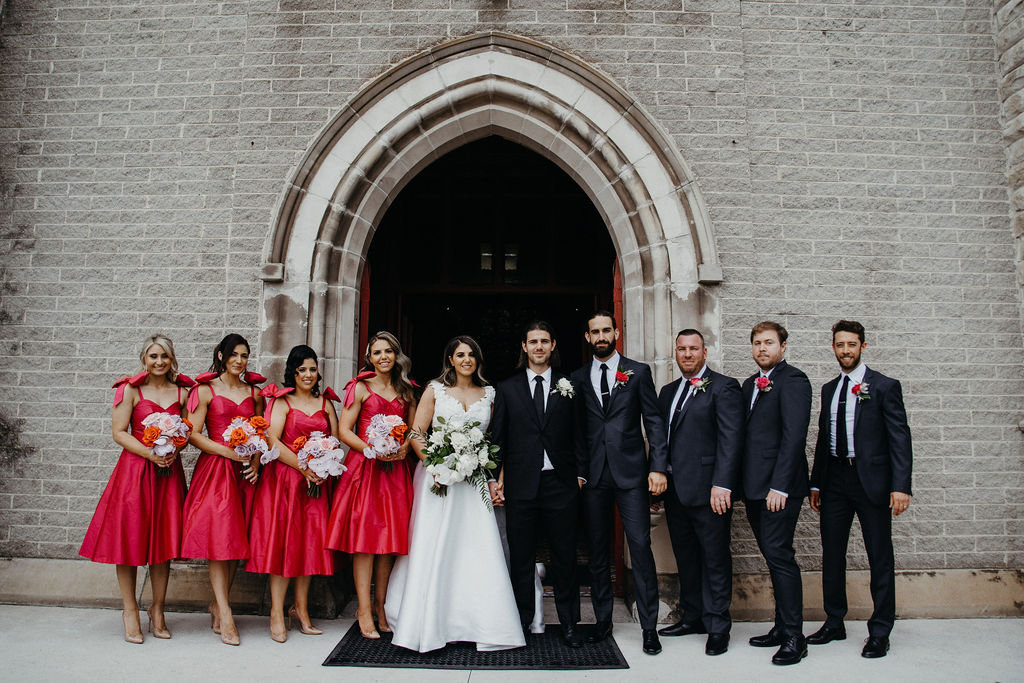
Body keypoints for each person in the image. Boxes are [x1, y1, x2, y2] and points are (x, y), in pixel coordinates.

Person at [385, 336, 525, 653]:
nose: (466, 359)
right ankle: (428, 620)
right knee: (434, 544)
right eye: (459, 354)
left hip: (474, 482)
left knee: (475, 547)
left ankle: (479, 622)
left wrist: (496, 476)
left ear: (478, 359)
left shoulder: (490, 394)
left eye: (471, 354)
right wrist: (436, 464)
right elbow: (417, 433)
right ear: (450, 359)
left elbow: (496, 440)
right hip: (437, 480)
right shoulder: (435, 390)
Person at [79, 334, 194, 643]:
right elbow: (119, 432)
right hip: (134, 472)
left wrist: (174, 450)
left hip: (168, 474)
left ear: (172, 359)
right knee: (128, 542)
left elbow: (186, 432)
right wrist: (149, 453)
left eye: (164, 357)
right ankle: (130, 610)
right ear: (144, 358)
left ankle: (158, 610)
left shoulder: (183, 393)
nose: (159, 362)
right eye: (153, 356)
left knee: (163, 544)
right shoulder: (129, 389)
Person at [808, 320, 913, 659]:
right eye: (840, 345)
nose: (845, 351)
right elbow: (824, 440)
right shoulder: (828, 388)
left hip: (873, 483)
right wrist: (816, 482)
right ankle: (834, 621)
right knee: (832, 553)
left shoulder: (883, 386)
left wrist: (900, 486)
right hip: (835, 480)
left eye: (851, 344)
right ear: (834, 347)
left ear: (863, 346)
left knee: (879, 556)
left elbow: (900, 439)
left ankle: (880, 630)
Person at [570, 311, 668, 656]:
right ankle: (602, 622)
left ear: (616, 333)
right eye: (594, 332)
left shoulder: (638, 372)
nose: (600, 336)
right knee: (597, 552)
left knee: (640, 547)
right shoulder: (577, 378)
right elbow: (576, 432)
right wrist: (579, 471)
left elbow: (654, 421)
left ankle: (649, 627)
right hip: (594, 477)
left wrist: (658, 468)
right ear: (587, 337)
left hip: (631, 475)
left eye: (606, 330)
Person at [490, 321, 584, 648]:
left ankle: (570, 624)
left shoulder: (568, 384)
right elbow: (497, 439)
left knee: (564, 558)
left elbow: (580, 434)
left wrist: (581, 474)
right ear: (524, 346)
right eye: (533, 341)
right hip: (521, 485)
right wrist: (493, 478)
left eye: (545, 340)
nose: (539, 347)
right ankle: (521, 621)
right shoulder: (508, 388)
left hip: (561, 484)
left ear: (554, 345)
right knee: (521, 559)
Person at [656, 329, 743, 657]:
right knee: (687, 557)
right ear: (676, 353)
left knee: (715, 558)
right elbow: (661, 440)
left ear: (704, 352)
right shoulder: (668, 392)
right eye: (681, 349)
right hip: (676, 491)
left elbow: (731, 440)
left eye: (693, 349)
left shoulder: (724, 387)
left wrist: (722, 485)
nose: (687, 354)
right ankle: (692, 616)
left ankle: (718, 625)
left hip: (710, 493)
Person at [325, 331, 417, 639]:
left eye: (388, 351)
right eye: (377, 352)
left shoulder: (406, 390)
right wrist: (370, 449)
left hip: (395, 474)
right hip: (366, 471)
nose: (383, 357)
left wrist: (402, 449)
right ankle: (363, 609)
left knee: (389, 544)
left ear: (396, 354)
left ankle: (382, 606)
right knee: (365, 543)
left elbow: (412, 433)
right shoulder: (360, 388)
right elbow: (343, 430)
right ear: (370, 357)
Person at [247, 345, 338, 642]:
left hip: (316, 483)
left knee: (310, 544)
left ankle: (301, 609)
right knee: (285, 544)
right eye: (302, 370)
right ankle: (276, 611)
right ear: (293, 373)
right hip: (287, 481)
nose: (308, 375)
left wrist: (324, 465)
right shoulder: (282, 402)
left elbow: (335, 439)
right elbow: (272, 439)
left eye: (312, 369)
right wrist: (303, 466)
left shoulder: (325, 403)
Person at [180, 333, 266, 646]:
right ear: (221, 356)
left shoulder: (254, 393)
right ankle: (226, 612)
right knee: (219, 540)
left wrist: (255, 462)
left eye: (245, 356)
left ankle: (217, 603)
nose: (240, 361)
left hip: (244, 473)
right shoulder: (204, 390)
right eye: (234, 355)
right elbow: (192, 434)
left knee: (234, 540)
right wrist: (226, 450)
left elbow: (260, 431)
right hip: (217, 469)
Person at [740, 321, 811, 665]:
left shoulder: (794, 381)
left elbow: (793, 438)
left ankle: (795, 636)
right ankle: (781, 626)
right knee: (772, 555)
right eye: (757, 343)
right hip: (754, 489)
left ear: (784, 346)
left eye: (769, 342)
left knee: (780, 556)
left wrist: (779, 486)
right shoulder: (750, 384)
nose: (762, 348)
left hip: (778, 490)